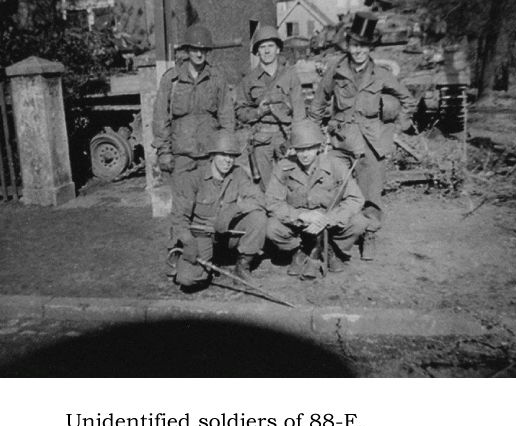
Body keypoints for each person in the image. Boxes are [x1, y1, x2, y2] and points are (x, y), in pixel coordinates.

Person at [309, 11, 414, 260]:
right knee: (332, 188)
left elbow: (407, 99)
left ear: (370, 48)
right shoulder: (336, 70)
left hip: (371, 142)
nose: (358, 51)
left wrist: (396, 126)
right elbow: (318, 102)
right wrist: (313, 135)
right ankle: (332, 237)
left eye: (363, 46)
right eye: (355, 45)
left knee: (371, 194)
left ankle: (369, 234)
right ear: (349, 45)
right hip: (341, 139)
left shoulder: (380, 74)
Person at [266, 120, 368, 280]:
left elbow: (355, 198)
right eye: (300, 149)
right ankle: (299, 251)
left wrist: (329, 219)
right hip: (298, 225)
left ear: (319, 147)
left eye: (310, 148)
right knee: (271, 227)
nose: (305, 154)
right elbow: (273, 202)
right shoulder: (284, 167)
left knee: (359, 222)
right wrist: (301, 215)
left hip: (329, 223)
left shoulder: (336, 165)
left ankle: (329, 248)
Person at [171, 130, 267, 290]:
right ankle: (207, 264)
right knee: (187, 279)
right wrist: (188, 242)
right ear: (212, 155)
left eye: (232, 156)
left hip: (228, 233)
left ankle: (242, 267)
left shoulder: (238, 173)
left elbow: (259, 199)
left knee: (258, 218)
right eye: (223, 154)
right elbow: (179, 218)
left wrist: (233, 210)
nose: (228, 160)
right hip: (202, 235)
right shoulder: (193, 178)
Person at [153, 24, 235, 189]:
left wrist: (226, 149)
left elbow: (227, 116)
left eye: (203, 50)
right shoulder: (171, 80)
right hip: (181, 157)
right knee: (182, 205)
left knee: (209, 204)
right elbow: (160, 118)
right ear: (187, 50)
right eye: (194, 49)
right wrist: (164, 152)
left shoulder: (216, 78)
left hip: (209, 155)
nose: (199, 54)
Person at [235, 25, 306, 192]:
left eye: (270, 46)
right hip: (261, 139)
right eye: (262, 47)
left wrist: (297, 140)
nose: (267, 51)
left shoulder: (290, 76)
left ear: (278, 49)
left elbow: (300, 111)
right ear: (257, 51)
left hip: (286, 136)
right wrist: (257, 112)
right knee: (265, 187)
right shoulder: (249, 80)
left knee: (291, 181)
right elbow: (239, 111)